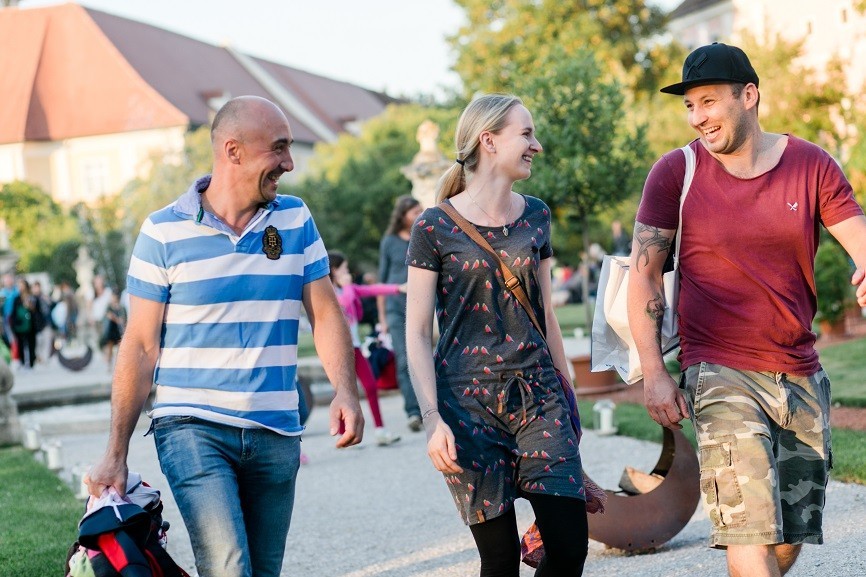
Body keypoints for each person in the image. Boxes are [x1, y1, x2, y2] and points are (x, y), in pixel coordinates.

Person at [85, 95, 364, 577]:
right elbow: (140, 345)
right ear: (233, 151)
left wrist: (346, 390)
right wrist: (116, 452)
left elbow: (324, 313)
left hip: (277, 428)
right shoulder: (162, 232)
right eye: (278, 149)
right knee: (229, 566)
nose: (289, 163)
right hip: (192, 426)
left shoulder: (295, 220)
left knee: (263, 570)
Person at [628, 42, 866, 577]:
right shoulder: (675, 173)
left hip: (798, 370)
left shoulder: (812, 164)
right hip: (716, 368)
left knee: (787, 532)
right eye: (690, 106)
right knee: (748, 530)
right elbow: (644, 273)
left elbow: (860, 239)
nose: (698, 118)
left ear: (750, 96)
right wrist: (654, 373)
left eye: (708, 102)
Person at [405, 94, 589, 576]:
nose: (537, 145)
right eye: (526, 134)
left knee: (569, 549)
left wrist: (568, 405)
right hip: (467, 408)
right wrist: (431, 420)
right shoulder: (434, 226)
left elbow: (547, 317)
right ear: (489, 140)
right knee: (501, 560)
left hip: (539, 395)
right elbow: (417, 334)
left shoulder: (537, 216)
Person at [328, 250, 403, 446]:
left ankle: (380, 430)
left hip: (355, 347)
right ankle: (343, 433)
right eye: (344, 268)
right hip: (337, 351)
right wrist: (347, 287)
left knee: (370, 386)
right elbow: (343, 303)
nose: (348, 272)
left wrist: (399, 288)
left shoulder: (348, 288)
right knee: (342, 391)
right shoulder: (329, 291)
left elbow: (372, 290)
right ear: (334, 270)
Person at [378, 194, 424, 431]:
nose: (419, 214)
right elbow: (381, 282)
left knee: (427, 356)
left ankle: (432, 407)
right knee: (404, 360)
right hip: (396, 308)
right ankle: (413, 412)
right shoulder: (389, 242)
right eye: (414, 212)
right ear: (403, 215)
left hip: (424, 305)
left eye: (420, 210)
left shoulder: (425, 235)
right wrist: (383, 318)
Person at [9, 278, 37, 370]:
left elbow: (35, 310)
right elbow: (13, 312)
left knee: (31, 343)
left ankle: (31, 363)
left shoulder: (31, 297)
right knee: (21, 344)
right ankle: (23, 362)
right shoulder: (16, 298)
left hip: (30, 324)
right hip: (20, 325)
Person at [98, 290, 126, 370]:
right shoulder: (109, 307)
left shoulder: (121, 308)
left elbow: (123, 319)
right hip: (111, 330)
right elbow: (108, 316)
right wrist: (117, 319)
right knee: (109, 348)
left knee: (119, 349)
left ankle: (117, 366)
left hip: (118, 331)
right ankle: (109, 364)